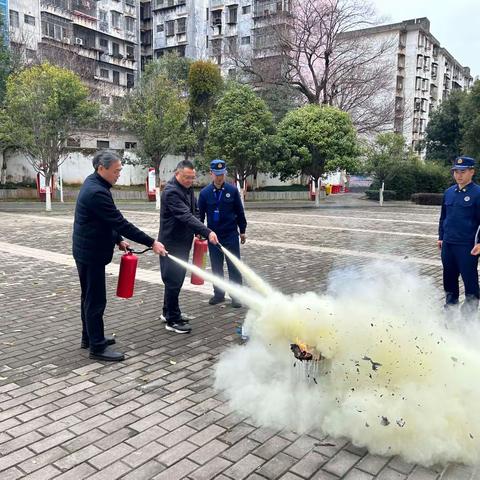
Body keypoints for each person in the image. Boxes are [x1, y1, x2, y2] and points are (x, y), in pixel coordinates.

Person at [73, 150, 167, 362]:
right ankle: (96, 347)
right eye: (116, 171)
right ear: (101, 168)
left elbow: (105, 221)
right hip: (91, 253)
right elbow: (119, 221)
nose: (118, 174)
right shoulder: (96, 192)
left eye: (120, 170)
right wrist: (152, 243)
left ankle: (89, 337)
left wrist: (117, 239)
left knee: (88, 297)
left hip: (87, 250)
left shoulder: (95, 184)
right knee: (95, 300)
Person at [159, 160, 219, 334]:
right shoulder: (171, 192)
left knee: (175, 280)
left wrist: (198, 229)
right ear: (177, 173)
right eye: (186, 177)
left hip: (183, 242)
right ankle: (172, 320)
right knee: (173, 280)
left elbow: (195, 212)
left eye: (192, 178)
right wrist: (207, 232)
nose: (189, 181)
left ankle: (168, 311)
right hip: (171, 243)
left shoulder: (187, 188)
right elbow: (184, 215)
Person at [198, 159, 247, 308]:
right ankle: (218, 294)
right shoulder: (205, 193)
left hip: (231, 234)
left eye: (222, 174)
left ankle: (236, 296)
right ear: (211, 173)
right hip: (214, 236)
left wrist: (242, 231)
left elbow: (239, 212)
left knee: (234, 266)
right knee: (216, 267)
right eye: (217, 174)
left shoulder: (232, 191)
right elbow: (200, 215)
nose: (220, 177)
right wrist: (200, 231)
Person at [438, 155, 480, 315]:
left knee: (470, 283)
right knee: (449, 280)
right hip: (448, 244)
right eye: (456, 171)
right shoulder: (449, 192)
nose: (459, 175)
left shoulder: (478, 193)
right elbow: (443, 217)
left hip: (467, 246)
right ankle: (450, 310)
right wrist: (441, 237)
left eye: (463, 171)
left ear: (472, 172)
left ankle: (469, 316)